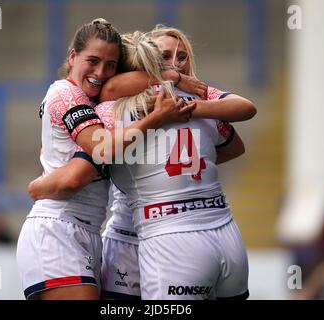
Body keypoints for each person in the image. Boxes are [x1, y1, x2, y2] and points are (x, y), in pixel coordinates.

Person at [29, 30, 254, 300]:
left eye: (181, 57)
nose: (174, 64)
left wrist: (37, 186)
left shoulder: (112, 109)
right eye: (164, 57)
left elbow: (78, 173)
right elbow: (236, 142)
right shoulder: (194, 101)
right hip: (199, 229)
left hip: (161, 233)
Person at [16, 19, 191, 300]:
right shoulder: (66, 93)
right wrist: (159, 115)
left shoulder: (95, 103)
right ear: (73, 56)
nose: (100, 72)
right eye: (93, 61)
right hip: (58, 230)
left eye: (110, 65)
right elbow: (91, 160)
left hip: (86, 230)